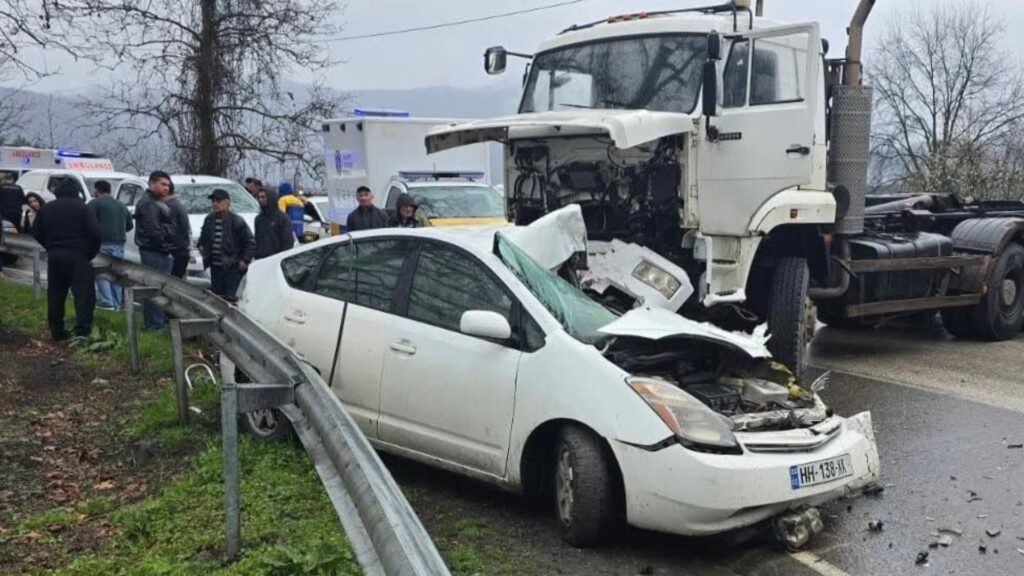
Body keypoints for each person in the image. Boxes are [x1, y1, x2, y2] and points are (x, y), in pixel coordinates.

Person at [32, 179, 101, 340]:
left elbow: (36, 231)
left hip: (55, 255)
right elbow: (96, 234)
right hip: (78, 255)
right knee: (83, 294)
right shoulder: (83, 208)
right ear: (77, 192)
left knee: (56, 294)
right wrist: (89, 253)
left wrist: (50, 246)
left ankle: (56, 330)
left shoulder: (47, 209)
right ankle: (82, 330)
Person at [134, 171, 177, 330]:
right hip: (154, 251)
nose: (166, 188)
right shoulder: (149, 204)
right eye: (163, 184)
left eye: (168, 185)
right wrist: (166, 244)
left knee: (157, 289)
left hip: (156, 250)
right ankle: (154, 325)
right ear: (152, 183)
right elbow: (153, 230)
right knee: (156, 289)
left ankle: (155, 323)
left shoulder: (155, 202)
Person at [198, 189, 254, 302]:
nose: (215, 204)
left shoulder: (236, 220)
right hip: (214, 267)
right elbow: (203, 239)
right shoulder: (209, 219)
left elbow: (250, 242)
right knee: (217, 299)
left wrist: (245, 260)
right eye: (213, 201)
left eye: (219, 201)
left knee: (231, 299)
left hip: (232, 266)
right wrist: (203, 249)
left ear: (227, 202)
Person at [87, 180, 133, 310]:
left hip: (101, 243)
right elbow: (130, 225)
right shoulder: (120, 205)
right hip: (119, 244)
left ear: (96, 190)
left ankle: (107, 301)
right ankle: (117, 304)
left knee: (101, 272)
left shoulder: (94, 203)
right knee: (116, 274)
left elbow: (87, 222)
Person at [163, 180, 193, 279]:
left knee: (172, 282)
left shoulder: (169, 207)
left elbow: (170, 231)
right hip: (183, 250)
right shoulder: (179, 205)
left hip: (175, 252)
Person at [254, 187, 294, 259]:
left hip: (276, 259)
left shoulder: (282, 218)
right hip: (261, 260)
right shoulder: (258, 219)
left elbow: (288, 242)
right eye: (258, 197)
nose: (260, 199)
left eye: (263, 197)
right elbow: (256, 240)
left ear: (270, 198)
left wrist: (281, 257)